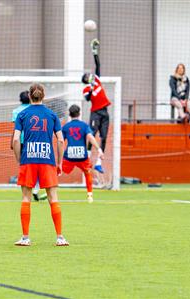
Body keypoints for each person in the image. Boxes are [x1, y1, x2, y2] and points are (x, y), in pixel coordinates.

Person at [12, 83, 69, 246]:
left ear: (30, 96)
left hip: (28, 159)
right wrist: (59, 162)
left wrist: (19, 159)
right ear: (43, 96)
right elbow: (60, 140)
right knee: (53, 197)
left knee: (26, 198)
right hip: (47, 159)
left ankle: (25, 238)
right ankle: (60, 237)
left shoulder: (22, 115)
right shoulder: (52, 115)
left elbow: (16, 139)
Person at [62, 105, 104, 203]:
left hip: (70, 155)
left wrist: (60, 156)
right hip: (82, 155)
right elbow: (90, 137)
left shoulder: (66, 126)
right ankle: (90, 195)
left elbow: (61, 141)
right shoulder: (84, 125)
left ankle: (48, 189)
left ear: (69, 114)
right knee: (87, 172)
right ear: (79, 114)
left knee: (58, 170)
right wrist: (99, 149)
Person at [81, 39, 111, 174]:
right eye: (87, 75)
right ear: (85, 80)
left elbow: (97, 65)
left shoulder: (97, 80)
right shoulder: (86, 88)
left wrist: (94, 52)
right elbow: (87, 99)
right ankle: (87, 160)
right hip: (95, 113)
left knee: (104, 137)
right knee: (91, 135)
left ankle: (99, 163)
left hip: (105, 112)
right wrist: (91, 88)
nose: (90, 75)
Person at [11, 90, 47, 201]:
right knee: (38, 165)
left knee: (25, 166)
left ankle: (28, 190)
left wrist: (12, 141)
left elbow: (15, 129)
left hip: (20, 142)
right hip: (33, 140)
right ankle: (35, 188)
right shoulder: (35, 110)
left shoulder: (16, 111)